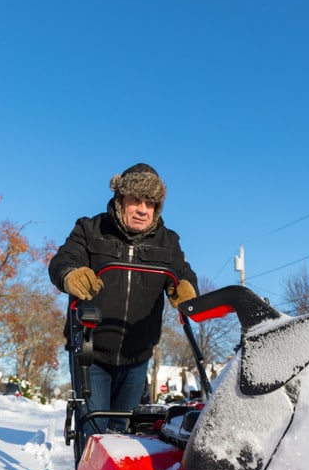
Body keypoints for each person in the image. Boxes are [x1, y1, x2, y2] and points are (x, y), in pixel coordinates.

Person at [49, 163, 198, 436]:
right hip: (91, 351)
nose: (143, 209)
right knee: (94, 430)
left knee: (125, 432)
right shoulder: (90, 229)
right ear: (120, 200)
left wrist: (187, 288)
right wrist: (71, 274)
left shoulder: (169, 241)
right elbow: (63, 261)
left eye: (150, 203)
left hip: (137, 353)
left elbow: (183, 274)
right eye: (136, 201)